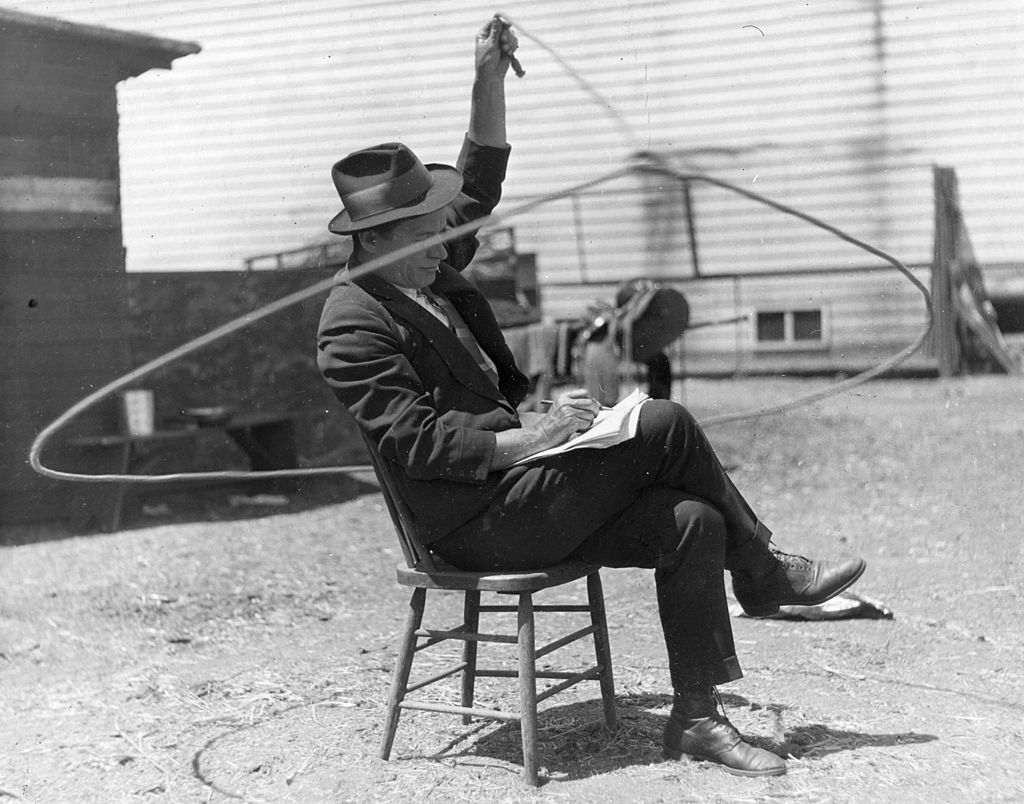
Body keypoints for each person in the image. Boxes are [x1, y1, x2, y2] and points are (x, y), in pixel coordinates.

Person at [317, 16, 866, 778]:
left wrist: (485, 77)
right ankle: (766, 573)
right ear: (376, 239)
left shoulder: (423, 265)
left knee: (693, 520)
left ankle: (699, 719)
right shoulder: (353, 320)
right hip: (473, 524)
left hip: (521, 494)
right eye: (431, 234)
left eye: (443, 231)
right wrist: (534, 438)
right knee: (665, 422)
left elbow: (475, 187)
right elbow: (418, 444)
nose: (450, 244)